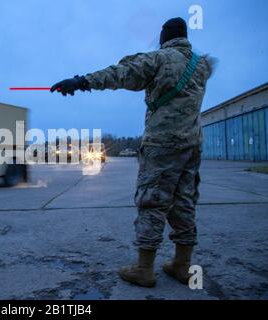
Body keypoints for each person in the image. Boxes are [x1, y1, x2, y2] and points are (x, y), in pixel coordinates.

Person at [50, 17, 213, 287]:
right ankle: (182, 265)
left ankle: (144, 268)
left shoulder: (159, 59)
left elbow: (119, 74)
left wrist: (80, 81)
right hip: (192, 145)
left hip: (163, 143)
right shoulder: (202, 65)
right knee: (184, 202)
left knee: (153, 202)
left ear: (164, 36)